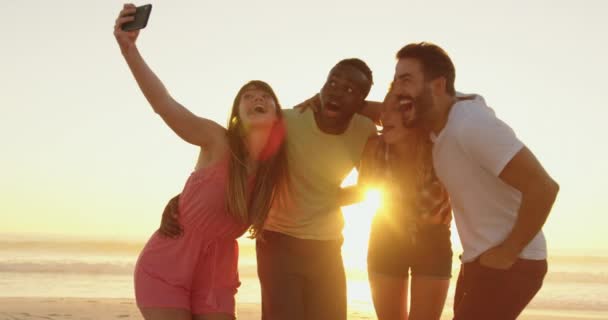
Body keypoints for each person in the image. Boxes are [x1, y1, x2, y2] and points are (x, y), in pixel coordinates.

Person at [161, 58, 378, 320]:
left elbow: (368, 187)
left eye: (350, 90)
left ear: (361, 102)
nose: (336, 91)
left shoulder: (364, 131)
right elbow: (235, 158)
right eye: (332, 82)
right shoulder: (285, 122)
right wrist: (182, 200)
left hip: (328, 247)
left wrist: (326, 198)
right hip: (278, 242)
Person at [114, 4, 289, 320]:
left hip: (216, 276)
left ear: (279, 115)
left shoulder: (274, 172)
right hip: (166, 266)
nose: (257, 98)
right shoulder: (217, 141)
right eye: (248, 96)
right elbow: (164, 105)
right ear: (236, 115)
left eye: (265, 96)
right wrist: (129, 52)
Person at [390, 42, 560, 320]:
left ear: (437, 85)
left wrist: (509, 252)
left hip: (514, 263)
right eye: (396, 79)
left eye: (406, 79)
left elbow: (543, 187)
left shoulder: (471, 126)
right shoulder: (437, 120)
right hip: (480, 261)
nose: (397, 89)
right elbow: (388, 114)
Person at [358, 88, 452, 320]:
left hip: (433, 241)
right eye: (383, 111)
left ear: (413, 117)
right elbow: (363, 191)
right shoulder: (374, 148)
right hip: (386, 238)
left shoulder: (440, 149)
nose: (384, 117)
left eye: (394, 111)